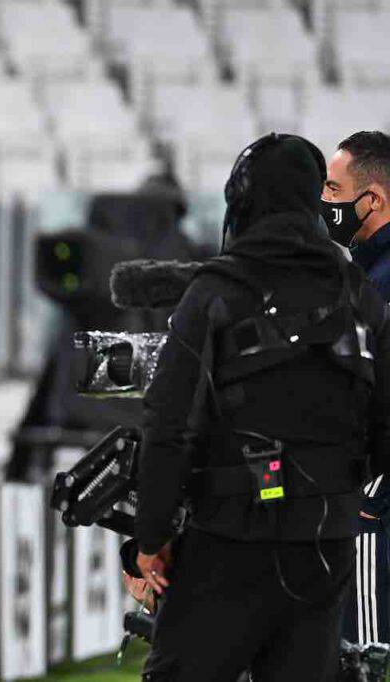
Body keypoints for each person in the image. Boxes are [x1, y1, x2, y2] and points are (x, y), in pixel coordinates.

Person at [134, 133, 390, 681]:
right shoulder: (359, 293)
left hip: (230, 541)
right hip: (325, 545)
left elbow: (169, 426)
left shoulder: (215, 291)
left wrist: (152, 537)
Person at [322, 130, 390, 672]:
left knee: (363, 659)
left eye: (334, 190)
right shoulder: (368, 273)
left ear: (374, 199)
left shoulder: (382, 282)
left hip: (376, 497)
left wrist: (374, 491)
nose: (325, 204)